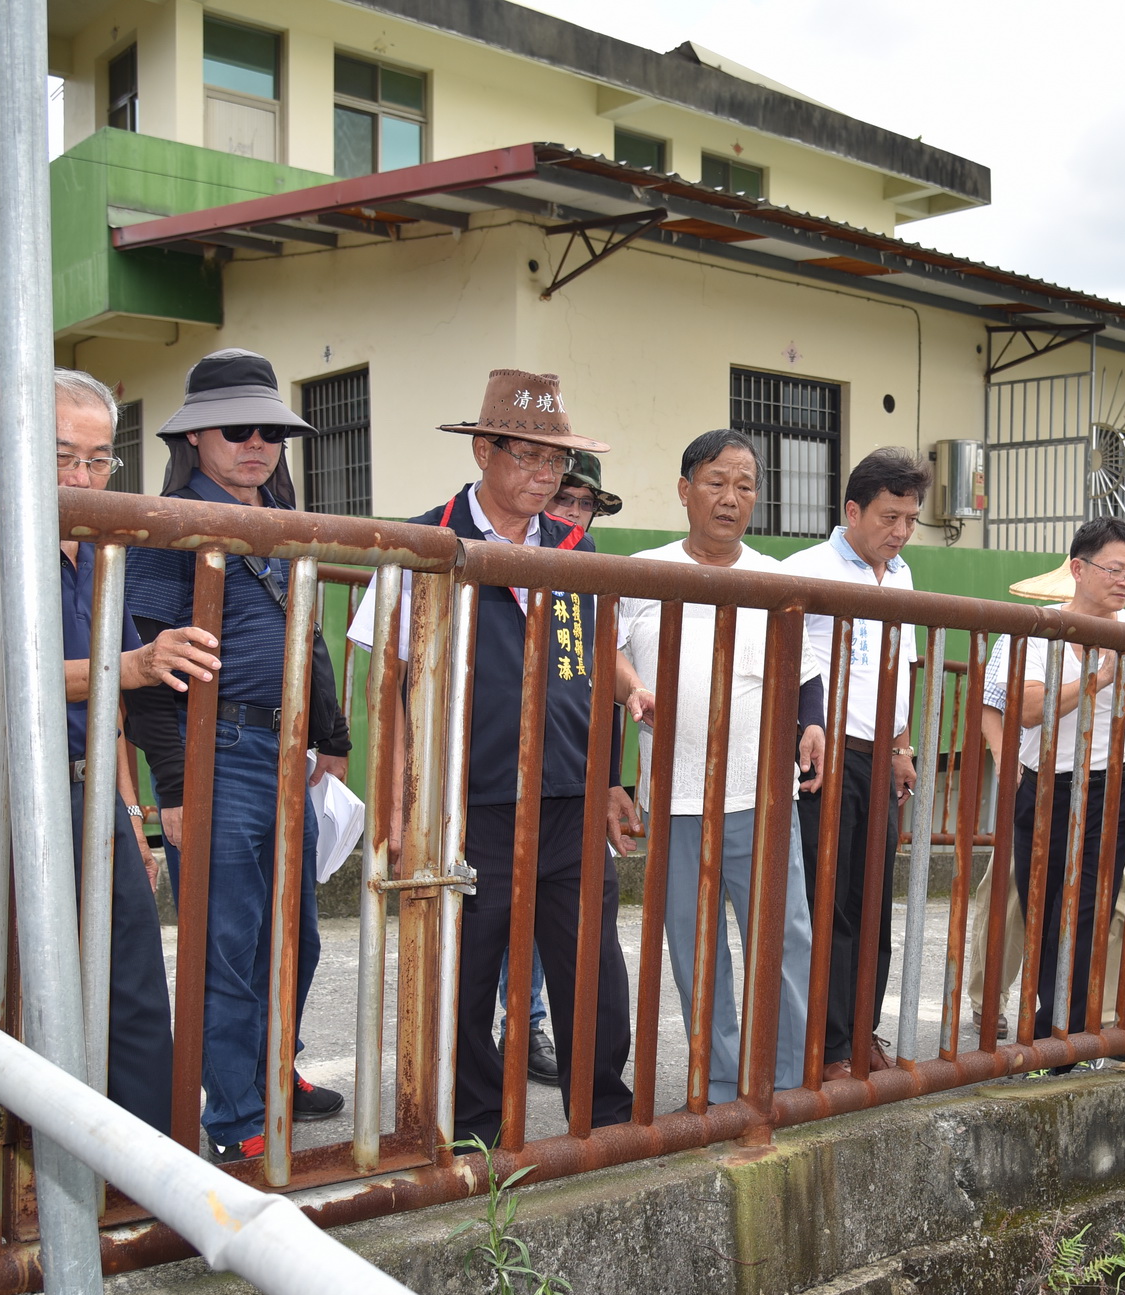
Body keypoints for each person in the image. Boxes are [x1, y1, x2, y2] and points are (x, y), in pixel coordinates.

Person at [0, 368, 217, 1130]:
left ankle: (148, 1176)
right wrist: (128, 665)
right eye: (62, 456)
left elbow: (107, 705)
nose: (81, 477)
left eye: (98, 459)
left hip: (86, 790)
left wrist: (128, 811)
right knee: (12, 1003)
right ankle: (25, 1192)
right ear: (16, 446)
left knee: (133, 994)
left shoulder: (102, 547)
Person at [347, 370, 636, 1144]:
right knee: (466, 972)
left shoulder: (576, 547)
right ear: (484, 451)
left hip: (569, 794)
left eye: (556, 460)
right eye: (529, 456)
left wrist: (616, 762)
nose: (546, 475)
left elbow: (595, 664)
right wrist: (395, 805)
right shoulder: (425, 541)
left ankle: (602, 1119)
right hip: (465, 800)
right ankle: (474, 1135)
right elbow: (387, 686)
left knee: (591, 968)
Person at [123, 349, 354, 1162]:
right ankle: (234, 1117)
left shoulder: (282, 519)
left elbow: (307, 635)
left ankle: (270, 1073)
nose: (257, 444)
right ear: (195, 436)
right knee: (229, 943)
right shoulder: (171, 523)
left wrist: (332, 736)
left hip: (286, 748)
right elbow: (150, 667)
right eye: (237, 430)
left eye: (271, 432)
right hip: (215, 749)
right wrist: (174, 787)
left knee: (296, 938)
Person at [619, 429, 822, 1104]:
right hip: (676, 798)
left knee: (784, 940)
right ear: (685, 491)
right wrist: (632, 687)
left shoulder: (774, 579)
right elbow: (608, 654)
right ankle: (719, 1082)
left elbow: (806, 671)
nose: (731, 498)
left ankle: (784, 1084)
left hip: (761, 794)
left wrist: (813, 721)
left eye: (744, 485)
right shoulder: (644, 572)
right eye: (716, 482)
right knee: (696, 948)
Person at [982, 518, 1125, 1062]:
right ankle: (1050, 1029)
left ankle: (1066, 1034)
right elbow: (1024, 709)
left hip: (1115, 787)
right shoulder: (1037, 630)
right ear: (1078, 569)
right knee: (1042, 907)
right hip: (1046, 790)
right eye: (1114, 570)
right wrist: (1096, 679)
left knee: (1091, 909)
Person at [779, 448, 925, 1080]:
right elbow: (787, 664)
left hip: (877, 758)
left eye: (911, 519)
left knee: (873, 903)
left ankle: (861, 1032)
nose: (901, 532)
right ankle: (826, 1045)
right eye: (890, 517)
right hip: (825, 756)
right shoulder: (805, 570)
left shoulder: (902, 576)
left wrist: (900, 747)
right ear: (853, 511)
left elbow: (901, 668)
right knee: (827, 901)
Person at [492, 447, 624, 1086]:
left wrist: (611, 778)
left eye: (583, 503)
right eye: (563, 498)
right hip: (489, 779)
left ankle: (538, 1032)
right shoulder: (470, 540)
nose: (570, 510)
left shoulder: (584, 561)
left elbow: (599, 673)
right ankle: (500, 1047)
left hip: (569, 777)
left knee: (572, 929)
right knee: (489, 927)